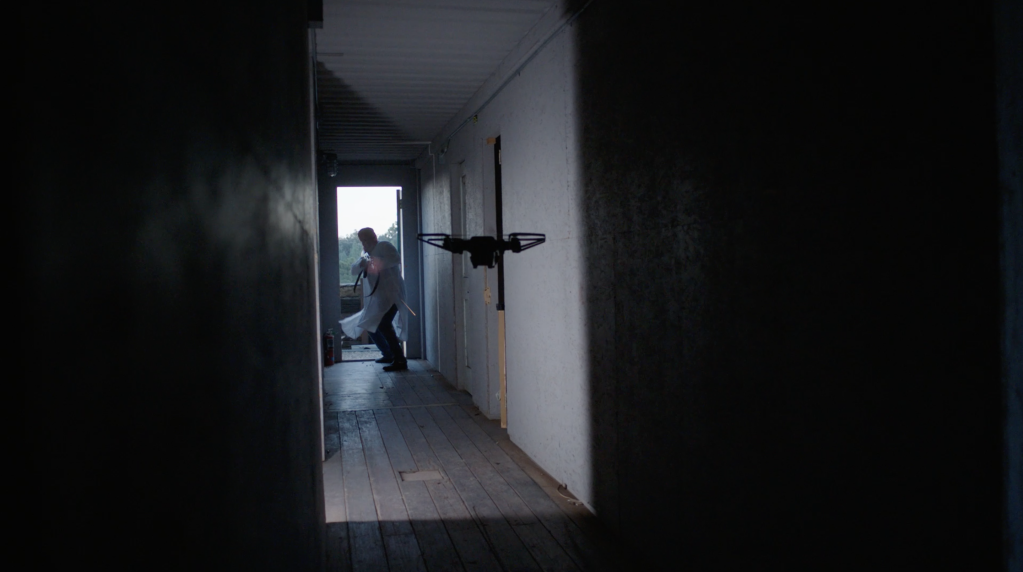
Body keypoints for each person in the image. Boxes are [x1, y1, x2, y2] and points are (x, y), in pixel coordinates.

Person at [339, 227, 408, 371]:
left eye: (366, 239)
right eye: (362, 240)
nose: (364, 243)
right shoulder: (366, 254)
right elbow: (354, 270)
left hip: (393, 295)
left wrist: (371, 262)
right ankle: (388, 354)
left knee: (383, 324)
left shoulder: (384, 246)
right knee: (369, 324)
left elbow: (395, 259)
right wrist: (363, 262)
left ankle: (399, 359)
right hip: (379, 298)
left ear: (374, 237)